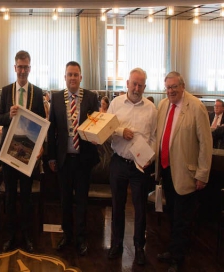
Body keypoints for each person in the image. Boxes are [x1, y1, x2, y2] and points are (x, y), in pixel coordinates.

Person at [155, 71, 212, 272]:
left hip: (187, 174)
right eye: (167, 87)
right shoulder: (163, 105)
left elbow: (206, 143)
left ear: (183, 86)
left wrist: (202, 174)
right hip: (166, 171)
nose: (170, 91)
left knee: (182, 219)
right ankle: (173, 250)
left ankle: (178, 259)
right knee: (172, 214)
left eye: (174, 87)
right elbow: (160, 136)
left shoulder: (196, 107)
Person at [47, 61, 99, 256]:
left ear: (81, 77)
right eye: (69, 74)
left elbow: (97, 125)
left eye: (76, 74)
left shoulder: (91, 98)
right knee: (65, 200)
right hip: (64, 159)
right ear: (65, 77)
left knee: (82, 200)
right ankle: (67, 235)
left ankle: (81, 237)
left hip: (84, 159)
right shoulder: (57, 98)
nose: (73, 78)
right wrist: (51, 157)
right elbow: (52, 129)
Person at [0, 50, 45, 253]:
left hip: (27, 152)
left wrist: (42, 145)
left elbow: (43, 122)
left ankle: (25, 235)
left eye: (26, 67)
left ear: (30, 68)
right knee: (9, 196)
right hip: (9, 151)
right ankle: (10, 235)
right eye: (19, 67)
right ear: (14, 68)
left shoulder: (37, 92)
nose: (22, 70)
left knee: (26, 196)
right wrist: (9, 114)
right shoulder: (6, 91)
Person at [106, 68, 157, 265]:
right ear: (127, 83)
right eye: (134, 83)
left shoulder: (152, 109)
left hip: (140, 166)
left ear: (145, 87)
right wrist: (120, 131)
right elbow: (107, 129)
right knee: (117, 205)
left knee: (140, 208)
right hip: (119, 161)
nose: (136, 88)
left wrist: (150, 157)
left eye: (140, 85)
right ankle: (116, 244)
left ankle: (138, 247)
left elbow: (153, 136)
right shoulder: (115, 104)